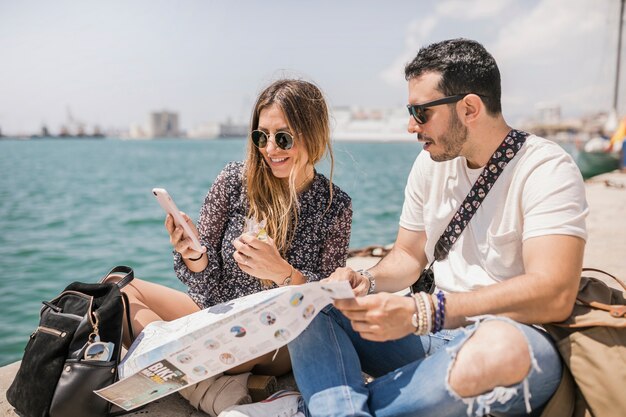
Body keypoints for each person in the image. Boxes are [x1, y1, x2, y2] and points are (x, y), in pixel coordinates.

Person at [277, 38, 587, 417]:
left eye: (421, 113)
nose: (411, 126)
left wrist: (425, 311)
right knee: (310, 303)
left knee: (498, 347)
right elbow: (408, 255)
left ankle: (326, 409)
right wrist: (366, 281)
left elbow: (554, 292)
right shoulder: (430, 165)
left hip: (510, 339)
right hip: (429, 337)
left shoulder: (546, 168)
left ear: (470, 108)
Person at [111, 79, 352, 416]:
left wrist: (282, 273)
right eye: (261, 136)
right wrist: (195, 255)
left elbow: (328, 304)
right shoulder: (233, 180)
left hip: (274, 336)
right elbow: (205, 283)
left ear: (314, 134)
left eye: (283, 137)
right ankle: (216, 387)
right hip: (215, 317)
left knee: (199, 341)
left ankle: (177, 367)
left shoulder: (334, 205)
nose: (270, 149)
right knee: (116, 291)